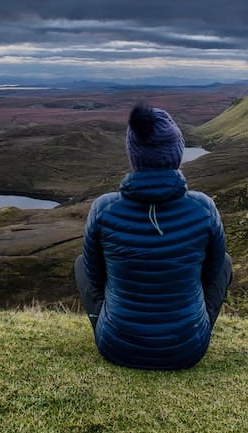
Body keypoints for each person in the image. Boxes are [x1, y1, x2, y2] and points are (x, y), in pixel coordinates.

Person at [74, 102, 233, 370]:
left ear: (133, 155)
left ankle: (111, 323)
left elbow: (94, 275)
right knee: (225, 263)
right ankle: (189, 326)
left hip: (116, 346)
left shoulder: (103, 208)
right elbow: (212, 273)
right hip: (188, 348)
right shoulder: (203, 207)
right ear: (177, 153)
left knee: (82, 264)